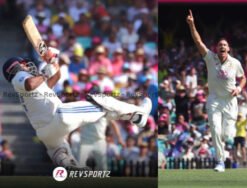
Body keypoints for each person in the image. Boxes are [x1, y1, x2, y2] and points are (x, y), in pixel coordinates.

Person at [1, 50, 152, 170]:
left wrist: (53, 62)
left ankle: (69, 166)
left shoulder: (32, 87)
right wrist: (44, 72)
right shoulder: (19, 77)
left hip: (45, 132)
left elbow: (54, 78)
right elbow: (31, 84)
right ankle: (137, 114)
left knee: (58, 149)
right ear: (16, 68)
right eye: (24, 65)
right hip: (59, 117)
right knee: (101, 101)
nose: (28, 66)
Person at [187, 9, 246, 172]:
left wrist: (239, 88)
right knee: (214, 128)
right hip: (214, 99)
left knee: (227, 135)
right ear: (217, 48)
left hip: (230, 101)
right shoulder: (210, 58)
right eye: (220, 44)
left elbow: (243, 78)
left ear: (228, 49)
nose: (222, 46)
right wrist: (192, 25)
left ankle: (227, 147)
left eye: (225, 45)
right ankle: (220, 162)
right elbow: (198, 42)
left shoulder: (235, 63)